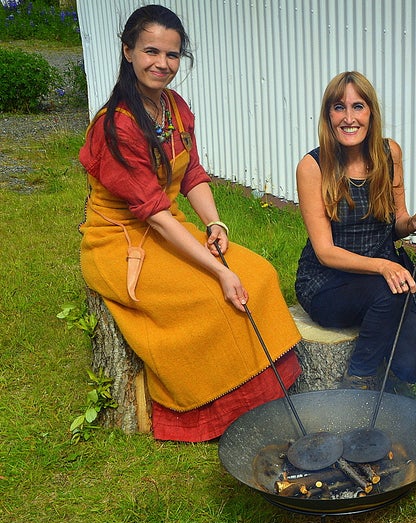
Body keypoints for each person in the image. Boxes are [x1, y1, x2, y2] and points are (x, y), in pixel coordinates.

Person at [78, 5, 302, 442]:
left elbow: (192, 173)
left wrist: (216, 223)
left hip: (167, 224)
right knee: (213, 295)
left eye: (172, 54)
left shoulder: (173, 107)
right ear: (128, 51)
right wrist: (218, 270)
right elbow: (154, 214)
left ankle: (265, 395)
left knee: (258, 274)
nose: (162, 63)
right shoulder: (115, 126)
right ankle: (207, 413)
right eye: (151, 51)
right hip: (119, 242)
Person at [295, 71, 416, 391]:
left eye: (358, 107)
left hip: (381, 281)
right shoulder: (313, 166)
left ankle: (380, 358)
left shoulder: (390, 154)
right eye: (339, 107)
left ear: (371, 113)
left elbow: (397, 222)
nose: (349, 118)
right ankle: (357, 381)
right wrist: (383, 266)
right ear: (328, 116)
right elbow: (325, 252)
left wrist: (413, 222)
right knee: (391, 290)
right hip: (328, 283)